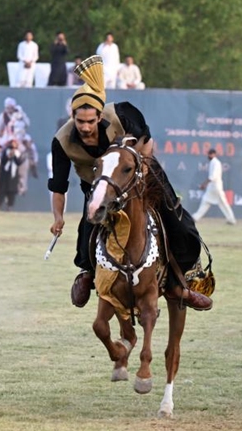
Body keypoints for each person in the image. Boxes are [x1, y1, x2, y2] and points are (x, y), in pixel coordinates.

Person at [48, 55, 213, 311]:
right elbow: (59, 186)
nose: (85, 127)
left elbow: (146, 141)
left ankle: (185, 281)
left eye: (90, 121)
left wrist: (142, 171)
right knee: (88, 227)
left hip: (141, 173)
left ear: (99, 115)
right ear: (73, 117)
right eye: (80, 121)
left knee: (175, 216)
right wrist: (58, 216)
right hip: (98, 187)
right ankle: (87, 272)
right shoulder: (61, 141)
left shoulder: (121, 113)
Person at [193, 149, 236, 225]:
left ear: (214, 154)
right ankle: (195, 217)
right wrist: (206, 185)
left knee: (223, 203)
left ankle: (231, 219)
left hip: (216, 187)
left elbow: (213, 176)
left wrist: (204, 184)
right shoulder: (212, 162)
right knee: (205, 201)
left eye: (210, 154)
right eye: (208, 154)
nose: (208, 156)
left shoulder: (216, 163)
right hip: (211, 187)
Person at [0, 138, 23, 211]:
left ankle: (9, 206)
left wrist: (14, 155)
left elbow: (18, 162)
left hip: (13, 176)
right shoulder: (6, 151)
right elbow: (3, 162)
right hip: (5, 175)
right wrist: (9, 156)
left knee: (11, 192)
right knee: (2, 191)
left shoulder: (18, 153)